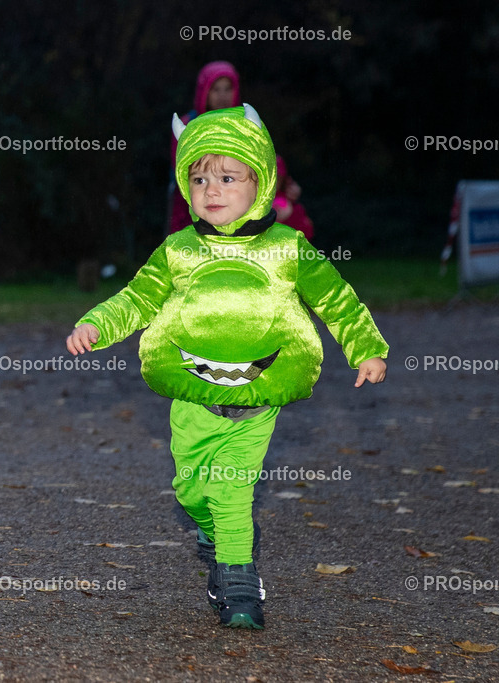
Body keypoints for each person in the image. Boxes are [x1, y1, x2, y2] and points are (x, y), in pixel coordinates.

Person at [67, 104, 388, 629]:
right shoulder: (177, 252)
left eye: (227, 176)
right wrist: (96, 326)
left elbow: (337, 299)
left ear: (259, 182)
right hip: (192, 397)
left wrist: (366, 348)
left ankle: (240, 578)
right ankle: (212, 529)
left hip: (257, 394)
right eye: (198, 179)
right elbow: (136, 299)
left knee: (232, 487)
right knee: (191, 490)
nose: (211, 190)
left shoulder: (288, 249)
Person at [168, 61, 241, 234]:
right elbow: (179, 168)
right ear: (204, 91)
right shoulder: (187, 125)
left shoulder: (243, 124)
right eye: (216, 89)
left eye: (227, 89)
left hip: (234, 204)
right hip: (193, 204)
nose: (222, 96)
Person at [272, 156, 314, 240]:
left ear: (283, 179)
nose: (273, 181)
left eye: (277, 177)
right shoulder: (248, 200)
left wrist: (291, 213)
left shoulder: (291, 203)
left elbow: (308, 233)